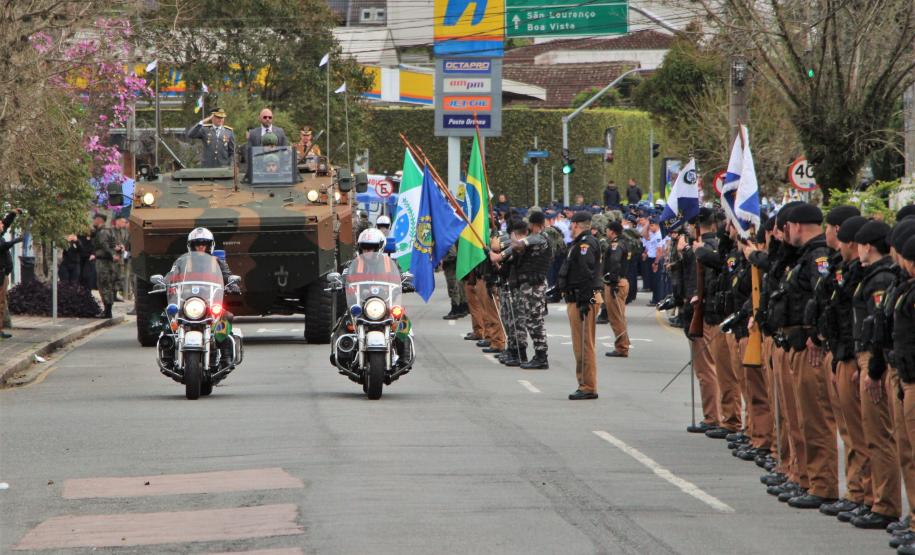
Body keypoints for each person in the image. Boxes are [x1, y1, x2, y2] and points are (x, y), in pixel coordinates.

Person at [849, 220, 899, 526]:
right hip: (866, 357)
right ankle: (873, 499)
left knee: (880, 437)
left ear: (867, 245)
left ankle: (885, 504)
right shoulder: (870, 275)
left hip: (876, 360)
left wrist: (874, 366)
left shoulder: (880, 278)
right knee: (870, 434)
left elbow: (879, 326)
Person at [559, 211, 602, 400]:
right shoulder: (581, 243)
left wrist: (585, 301)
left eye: (571, 225)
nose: (569, 228)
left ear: (577, 225)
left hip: (584, 297)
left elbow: (587, 273)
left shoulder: (585, 244)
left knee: (584, 344)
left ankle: (588, 386)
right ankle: (584, 383)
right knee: (581, 344)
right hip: (581, 296)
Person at [603, 220, 631, 358]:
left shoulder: (616, 245)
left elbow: (615, 261)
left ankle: (622, 347)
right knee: (619, 316)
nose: (606, 232)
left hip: (616, 283)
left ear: (612, 231)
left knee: (616, 317)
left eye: (607, 230)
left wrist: (612, 281)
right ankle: (623, 344)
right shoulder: (624, 242)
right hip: (622, 281)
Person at [0, 209, 24, 339]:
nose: (2, 226)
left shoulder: (1, 234)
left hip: (3, 274)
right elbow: (2, 247)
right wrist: (16, 241)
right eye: (0, 225)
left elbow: (6, 223)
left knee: (2, 303)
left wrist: (13, 214)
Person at [91, 214, 119, 318]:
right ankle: (107, 310)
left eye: (94, 220)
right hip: (106, 261)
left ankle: (107, 311)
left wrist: (112, 255)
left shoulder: (103, 232)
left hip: (103, 262)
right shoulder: (108, 230)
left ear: (99, 220)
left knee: (104, 285)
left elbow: (105, 245)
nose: (93, 221)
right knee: (107, 285)